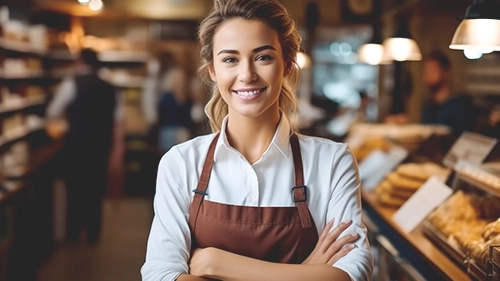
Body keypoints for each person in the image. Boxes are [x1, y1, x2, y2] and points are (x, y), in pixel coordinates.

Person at [141, 0, 373, 280]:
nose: (247, 74)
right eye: (230, 59)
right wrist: (307, 271)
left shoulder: (333, 161)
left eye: (263, 57)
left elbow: (352, 275)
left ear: (287, 64)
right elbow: (160, 274)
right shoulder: (181, 163)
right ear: (213, 70)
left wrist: (216, 263)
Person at [46, 48, 123, 244]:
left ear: (80, 62)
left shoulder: (72, 84)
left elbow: (53, 110)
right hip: (100, 146)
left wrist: (66, 121)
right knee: (95, 189)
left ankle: (73, 233)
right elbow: (118, 120)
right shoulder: (110, 87)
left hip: (76, 146)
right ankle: (93, 234)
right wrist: (116, 150)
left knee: (75, 189)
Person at [420, 51, 476, 136]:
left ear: (445, 72)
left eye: (432, 70)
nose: (428, 75)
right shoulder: (428, 104)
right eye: (426, 71)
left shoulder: (460, 104)